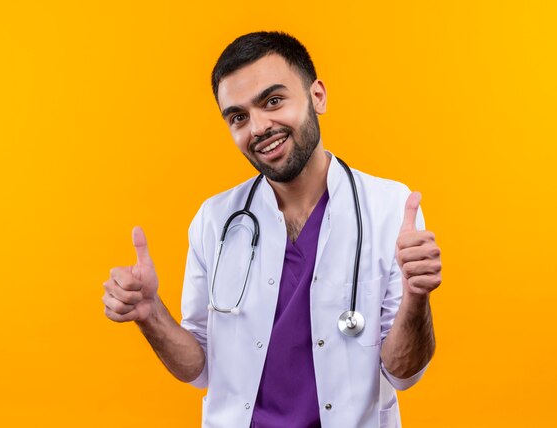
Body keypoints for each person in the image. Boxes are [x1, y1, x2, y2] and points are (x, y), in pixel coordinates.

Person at [102, 31, 442, 428]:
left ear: (317, 96)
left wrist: (417, 298)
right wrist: (150, 314)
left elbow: (403, 373)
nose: (259, 127)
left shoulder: (388, 209)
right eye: (238, 117)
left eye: (273, 101)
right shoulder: (215, 220)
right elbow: (199, 368)